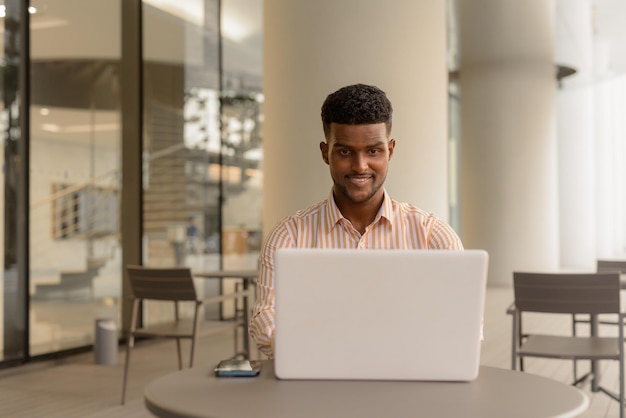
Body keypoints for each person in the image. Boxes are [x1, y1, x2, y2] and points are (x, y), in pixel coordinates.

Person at [249, 83, 463, 358]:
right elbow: (266, 320)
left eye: (373, 151)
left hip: (409, 388)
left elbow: (463, 325)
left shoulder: (434, 237)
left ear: (391, 151)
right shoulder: (288, 236)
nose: (360, 166)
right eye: (345, 152)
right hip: (316, 388)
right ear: (326, 152)